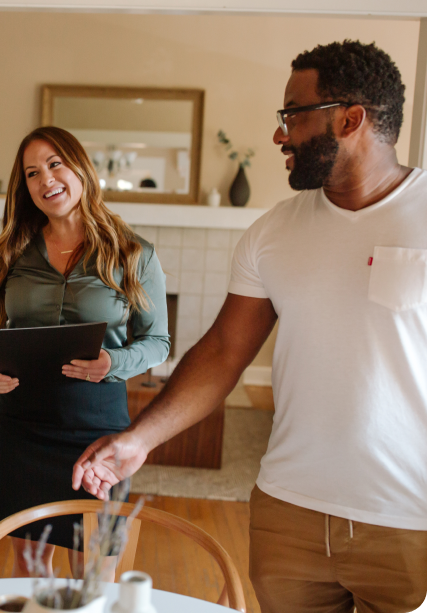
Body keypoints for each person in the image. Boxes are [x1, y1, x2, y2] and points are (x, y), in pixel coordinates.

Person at [73, 40, 427, 612]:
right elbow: (222, 353)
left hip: (410, 520)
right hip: (289, 515)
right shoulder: (272, 233)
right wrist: (140, 439)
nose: (279, 135)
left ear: (351, 118)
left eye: (293, 115)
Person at [0, 126, 170, 576]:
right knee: (30, 568)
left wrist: (112, 362)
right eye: (32, 172)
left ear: (80, 167)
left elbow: (158, 342)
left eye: (55, 164)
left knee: (94, 573)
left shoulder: (133, 253)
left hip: (97, 432)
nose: (46, 180)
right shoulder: (8, 253)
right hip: (22, 430)